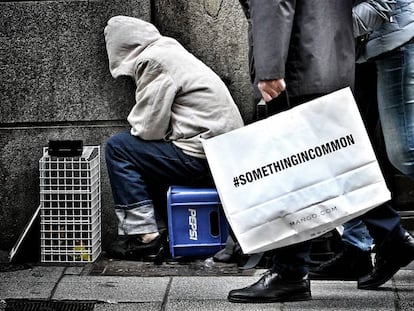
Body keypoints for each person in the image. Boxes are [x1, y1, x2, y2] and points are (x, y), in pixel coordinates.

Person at [228, 0, 414, 303]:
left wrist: (269, 66)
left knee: (295, 170)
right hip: (328, 53)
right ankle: (390, 235)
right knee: (330, 163)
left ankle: (290, 273)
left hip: (299, 59)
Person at [103, 16, 244, 261]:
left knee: (119, 148)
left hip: (201, 154)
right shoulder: (169, 50)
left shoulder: (154, 61)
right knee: (148, 153)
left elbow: (148, 128)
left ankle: (146, 236)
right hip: (222, 151)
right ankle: (163, 231)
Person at [310, 0, 414, 281]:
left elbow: (384, 4)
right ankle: (356, 249)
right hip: (361, 50)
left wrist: (316, 32)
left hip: (397, 40)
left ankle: (382, 244)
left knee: (405, 152)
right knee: (350, 150)